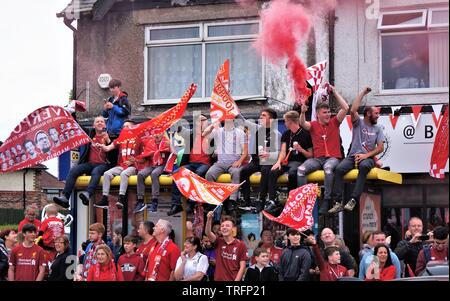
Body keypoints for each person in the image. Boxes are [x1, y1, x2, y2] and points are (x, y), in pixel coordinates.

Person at [329, 87, 385, 214]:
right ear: (368, 114)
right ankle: (337, 202)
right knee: (338, 169)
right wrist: (363, 93)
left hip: (367, 158)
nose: (378, 115)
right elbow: (353, 109)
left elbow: (380, 148)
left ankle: (353, 199)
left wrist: (366, 156)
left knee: (364, 167)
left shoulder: (378, 128)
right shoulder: (358, 123)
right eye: (376, 113)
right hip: (352, 156)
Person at [298, 86, 349, 214]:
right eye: (324, 112)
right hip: (317, 159)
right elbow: (303, 124)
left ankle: (327, 200)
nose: (328, 114)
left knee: (328, 168)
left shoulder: (334, 122)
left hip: (333, 158)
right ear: (318, 114)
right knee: (301, 170)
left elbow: (346, 108)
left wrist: (335, 92)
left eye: (329, 112)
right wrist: (303, 112)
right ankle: (304, 200)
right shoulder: (314, 125)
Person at [53, 116, 111, 208]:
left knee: (96, 172)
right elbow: (76, 125)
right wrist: (72, 113)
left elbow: (114, 154)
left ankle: (88, 194)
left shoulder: (110, 135)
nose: (100, 123)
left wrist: (108, 140)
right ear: (93, 126)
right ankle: (65, 197)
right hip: (90, 163)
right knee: (74, 170)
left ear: (105, 125)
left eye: (102, 121)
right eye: (97, 122)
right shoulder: (90, 133)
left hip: (104, 164)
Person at [266, 111, 313, 214]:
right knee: (273, 171)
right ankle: (272, 200)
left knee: (292, 174)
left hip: (299, 161)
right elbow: (283, 151)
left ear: (290, 122)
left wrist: (301, 149)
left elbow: (311, 155)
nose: (285, 123)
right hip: (287, 162)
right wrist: (278, 162)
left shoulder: (305, 134)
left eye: (286, 121)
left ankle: (291, 201)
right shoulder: (286, 134)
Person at [236, 109, 282, 212]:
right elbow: (244, 121)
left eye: (263, 116)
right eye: (260, 115)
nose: (260, 118)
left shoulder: (277, 134)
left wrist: (268, 154)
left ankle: (261, 200)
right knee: (243, 171)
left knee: (265, 171)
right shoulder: (257, 128)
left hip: (268, 161)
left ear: (271, 119)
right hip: (256, 161)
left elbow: (279, 153)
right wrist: (236, 111)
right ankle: (246, 201)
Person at [168, 114, 212, 216]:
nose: (200, 122)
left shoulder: (211, 134)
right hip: (191, 164)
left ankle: (192, 202)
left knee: (198, 173)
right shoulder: (191, 134)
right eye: (197, 121)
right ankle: (176, 204)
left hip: (204, 164)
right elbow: (179, 128)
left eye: (202, 120)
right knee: (176, 173)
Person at [203, 118, 249, 213]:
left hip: (234, 163)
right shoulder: (217, 131)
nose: (228, 120)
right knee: (209, 174)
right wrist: (213, 124)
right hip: (220, 163)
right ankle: (212, 200)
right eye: (226, 118)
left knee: (236, 173)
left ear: (233, 120)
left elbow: (245, 152)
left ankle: (232, 200)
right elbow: (204, 134)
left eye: (230, 118)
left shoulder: (240, 133)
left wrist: (240, 161)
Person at [95, 120, 139, 209]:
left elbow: (145, 154)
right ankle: (104, 199)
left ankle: (121, 198)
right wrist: (101, 146)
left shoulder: (139, 138)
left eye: (127, 126)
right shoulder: (120, 139)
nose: (124, 128)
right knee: (107, 174)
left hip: (134, 166)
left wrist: (134, 160)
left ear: (133, 128)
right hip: (121, 166)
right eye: (123, 126)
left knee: (124, 174)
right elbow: (107, 148)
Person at [205, 211, 247, 281]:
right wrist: (209, 219)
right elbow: (208, 233)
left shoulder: (240, 244)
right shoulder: (218, 241)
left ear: (233, 229)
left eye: (227, 226)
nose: (224, 227)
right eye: (222, 226)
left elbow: (242, 267)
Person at [135, 132, 171, 213]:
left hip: (163, 165)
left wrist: (170, 145)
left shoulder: (167, 142)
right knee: (140, 174)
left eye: (158, 133)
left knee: (154, 174)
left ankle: (155, 200)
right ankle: (140, 200)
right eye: (155, 134)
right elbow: (144, 158)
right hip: (152, 165)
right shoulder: (150, 143)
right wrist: (136, 160)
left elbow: (174, 153)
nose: (156, 135)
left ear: (163, 134)